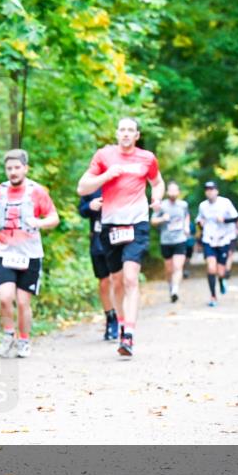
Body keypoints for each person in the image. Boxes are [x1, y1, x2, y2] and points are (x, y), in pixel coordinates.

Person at [77, 117, 164, 357]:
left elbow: (157, 182)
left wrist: (156, 198)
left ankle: (129, 334)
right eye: (122, 130)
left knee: (130, 278)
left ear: (137, 135)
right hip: (110, 225)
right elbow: (82, 188)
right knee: (116, 281)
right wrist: (105, 176)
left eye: (130, 130)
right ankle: (122, 324)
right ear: (116, 134)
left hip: (137, 223)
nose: (126, 133)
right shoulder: (104, 156)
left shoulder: (147, 158)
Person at [0, 149, 60, 358]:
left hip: (30, 255)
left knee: (23, 302)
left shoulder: (37, 191)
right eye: (9, 168)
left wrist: (39, 222)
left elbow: (54, 218)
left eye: (17, 167)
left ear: (25, 168)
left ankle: (24, 340)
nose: (13, 172)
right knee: (4, 298)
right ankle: (9, 335)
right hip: (6, 252)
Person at [78, 189, 120, 339]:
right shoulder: (91, 186)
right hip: (98, 243)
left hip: (118, 239)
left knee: (118, 280)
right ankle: (111, 318)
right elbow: (81, 210)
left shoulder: (119, 183)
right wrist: (90, 206)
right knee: (104, 282)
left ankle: (122, 318)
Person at [195, 181, 238, 307]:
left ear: (217, 191)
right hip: (208, 239)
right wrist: (200, 224)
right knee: (211, 268)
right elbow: (199, 220)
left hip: (223, 239)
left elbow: (236, 218)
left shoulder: (225, 202)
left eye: (212, 189)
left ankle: (221, 280)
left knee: (221, 271)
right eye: (207, 189)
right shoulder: (203, 206)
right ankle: (213, 296)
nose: (209, 192)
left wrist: (224, 220)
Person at [150, 181, 190, 302]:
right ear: (167, 192)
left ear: (178, 192)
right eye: (170, 190)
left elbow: (187, 216)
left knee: (178, 266)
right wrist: (163, 218)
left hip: (180, 239)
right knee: (169, 269)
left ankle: (175, 290)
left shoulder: (183, 205)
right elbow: (152, 221)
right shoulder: (162, 205)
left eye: (175, 190)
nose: (173, 192)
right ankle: (171, 287)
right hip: (166, 241)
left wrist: (186, 226)